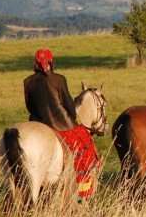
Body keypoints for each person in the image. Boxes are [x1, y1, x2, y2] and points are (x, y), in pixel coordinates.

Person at [24, 49, 100, 201]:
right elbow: (68, 104)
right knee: (86, 148)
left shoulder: (28, 81)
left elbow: (30, 107)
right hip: (62, 124)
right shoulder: (59, 79)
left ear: (35, 63)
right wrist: (72, 119)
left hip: (38, 122)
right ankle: (80, 195)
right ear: (51, 62)